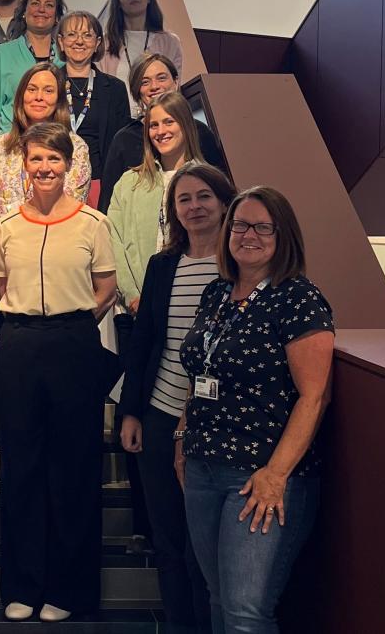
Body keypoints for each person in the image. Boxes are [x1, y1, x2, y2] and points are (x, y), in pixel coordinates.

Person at [179, 186, 335, 633]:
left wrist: (276, 475)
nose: (249, 235)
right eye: (240, 225)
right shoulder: (216, 293)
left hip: (258, 477)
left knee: (246, 612)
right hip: (202, 467)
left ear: (283, 236)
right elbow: (201, 373)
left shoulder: (299, 298)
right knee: (218, 599)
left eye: (263, 227)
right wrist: (181, 441)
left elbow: (314, 396)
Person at [0, 122, 117, 622]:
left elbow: (105, 288)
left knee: (74, 467)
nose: (44, 168)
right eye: (36, 159)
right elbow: (2, 283)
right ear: (24, 164)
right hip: (19, 344)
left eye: (53, 159)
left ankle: (68, 590)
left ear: (69, 165)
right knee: (21, 465)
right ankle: (23, 585)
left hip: (73, 344)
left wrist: (74, 322)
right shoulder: (7, 225)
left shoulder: (92, 224)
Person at [119, 163, 237, 634]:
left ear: (225, 203)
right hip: (161, 414)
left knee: (201, 550)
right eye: (184, 199)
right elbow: (144, 340)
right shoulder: (163, 265)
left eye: (204, 196)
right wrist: (132, 412)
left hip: (215, 424)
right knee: (167, 541)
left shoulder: (239, 265)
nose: (194, 206)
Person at [0, 62, 91, 279]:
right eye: (32, 89)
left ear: (59, 100)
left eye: (48, 91)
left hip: (54, 259)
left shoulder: (75, 147)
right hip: (2, 258)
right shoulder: (0, 147)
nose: (39, 97)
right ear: (21, 96)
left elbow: (69, 207)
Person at [107, 92, 206, 316]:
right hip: (138, 307)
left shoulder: (209, 181)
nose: (161, 131)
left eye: (169, 122)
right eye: (153, 125)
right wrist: (132, 296)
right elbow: (113, 241)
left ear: (185, 124)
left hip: (193, 304)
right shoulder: (128, 183)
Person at [98, 53, 223, 213]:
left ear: (175, 82)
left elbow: (220, 190)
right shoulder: (124, 140)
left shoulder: (200, 132)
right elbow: (108, 203)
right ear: (137, 90)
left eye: (161, 78)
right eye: (145, 82)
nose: (154, 86)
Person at [56, 10, 131, 208]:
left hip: (100, 183)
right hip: (55, 180)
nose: (79, 41)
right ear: (61, 42)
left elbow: (122, 143)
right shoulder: (48, 83)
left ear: (97, 43)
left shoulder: (115, 88)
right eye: (72, 34)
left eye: (87, 35)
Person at [97, 0, 183, 116]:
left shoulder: (170, 42)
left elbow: (175, 89)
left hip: (159, 118)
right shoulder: (105, 43)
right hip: (117, 121)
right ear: (118, 1)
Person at [0, 0, 67, 133]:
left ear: (57, 16)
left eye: (49, 5)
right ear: (24, 12)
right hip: (12, 141)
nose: (41, 9)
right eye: (35, 3)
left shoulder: (65, 56)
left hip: (55, 141)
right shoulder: (2, 54)